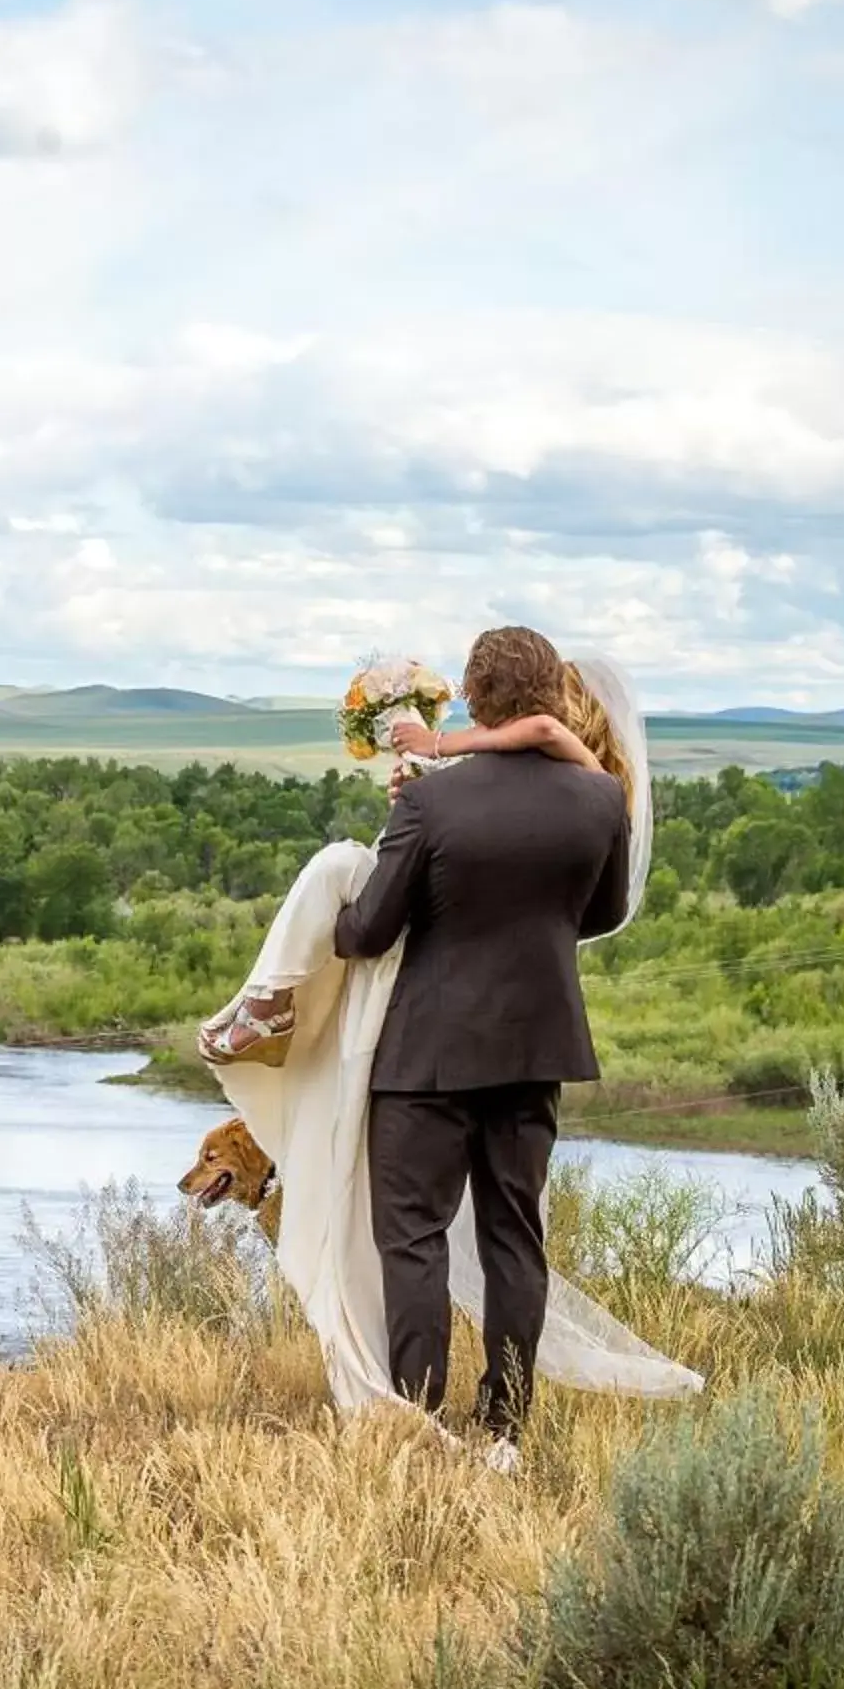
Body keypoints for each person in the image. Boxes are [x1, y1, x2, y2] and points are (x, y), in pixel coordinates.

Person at [196, 629, 695, 1473]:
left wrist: (389, 860)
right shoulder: (602, 798)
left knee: (415, 1240)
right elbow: (601, 915)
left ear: (472, 695)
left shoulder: (429, 803)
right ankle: (504, 1431)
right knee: (514, 1238)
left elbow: (365, 932)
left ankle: (416, 1420)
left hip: (425, 1053)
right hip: (537, 1049)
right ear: (552, 693)